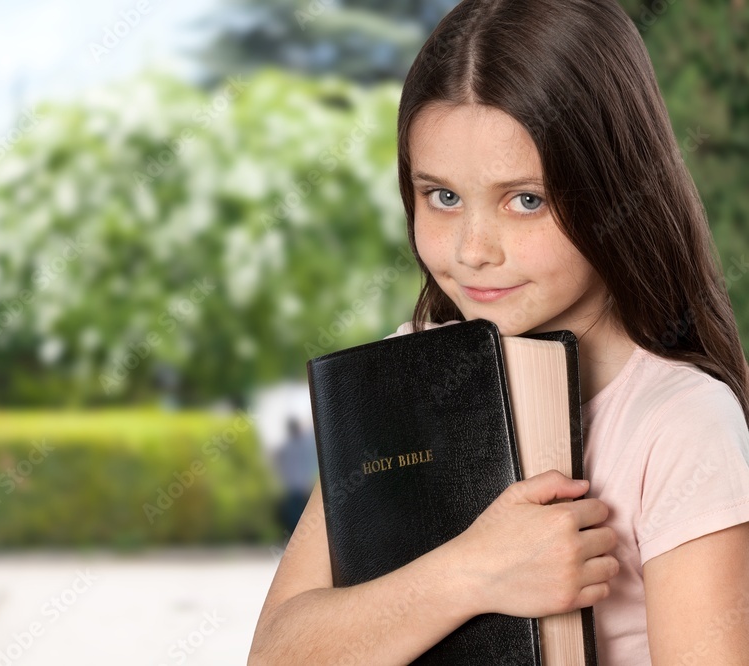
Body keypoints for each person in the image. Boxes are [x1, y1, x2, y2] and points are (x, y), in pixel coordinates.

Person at [248, 0, 749, 664]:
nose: (472, 250)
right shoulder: (401, 379)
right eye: (443, 197)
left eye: (526, 200)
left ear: (613, 192)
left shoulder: (681, 425)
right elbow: (277, 653)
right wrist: (476, 572)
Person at [273, 416, 319, 534]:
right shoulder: (296, 445)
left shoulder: (290, 446)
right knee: (303, 516)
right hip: (300, 487)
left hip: (298, 486)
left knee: (301, 516)